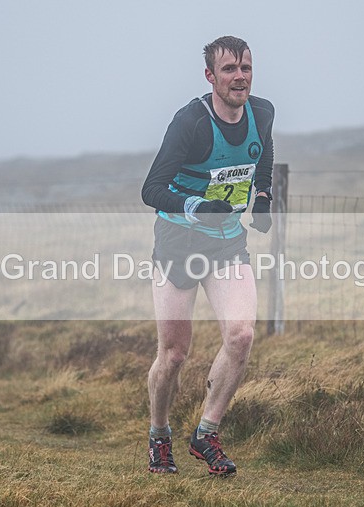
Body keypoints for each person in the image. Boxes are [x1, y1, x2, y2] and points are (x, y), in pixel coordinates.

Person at [140, 35, 275, 476]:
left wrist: (265, 194)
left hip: (227, 243)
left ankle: (206, 433)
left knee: (241, 337)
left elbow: (263, 153)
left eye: (246, 68)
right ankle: (160, 437)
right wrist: (198, 206)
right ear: (210, 76)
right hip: (178, 242)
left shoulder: (262, 112)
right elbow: (151, 190)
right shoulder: (191, 123)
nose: (240, 77)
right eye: (230, 70)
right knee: (175, 354)